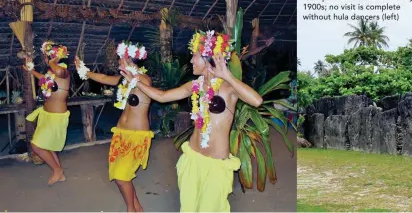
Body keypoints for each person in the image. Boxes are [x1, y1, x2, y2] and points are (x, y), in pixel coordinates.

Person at [121, 30, 263, 212]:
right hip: (193, 158)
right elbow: (163, 96)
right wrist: (135, 82)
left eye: (194, 56)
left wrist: (227, 76)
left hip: (216, 164)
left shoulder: (228, 88)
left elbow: (257, 101)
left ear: (207, 57)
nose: (190, 61)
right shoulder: (194, 86)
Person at [75, 41, 152, 212]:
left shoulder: (143, 80)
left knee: (121, 176)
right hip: (121, 133)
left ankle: (131, 209)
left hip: (136, 136)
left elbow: (145, 84)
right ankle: (137, 207)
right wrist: (84, 71)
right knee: (121, 174)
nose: (118, 62)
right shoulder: (123, 81)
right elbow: (102, 78)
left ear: (128, 58)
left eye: (120, 59)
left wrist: (133, 77)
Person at [22, 41, 70, 185]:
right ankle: (60, 173)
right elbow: (44, 79)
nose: (44, 58)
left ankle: (56, 169)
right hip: (46, 114)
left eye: (46, 55)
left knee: (36, 146)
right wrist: (31, 71)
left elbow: (59, 72)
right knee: (47, 145)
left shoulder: (63, 71)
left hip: (56, 117)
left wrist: (53, 61)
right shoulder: (51, 73)